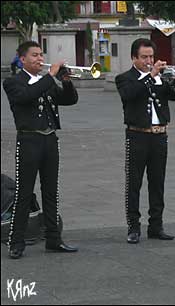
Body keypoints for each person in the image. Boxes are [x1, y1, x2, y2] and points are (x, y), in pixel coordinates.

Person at [2, 41, 79, 259]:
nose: (39, 59)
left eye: (41, 54)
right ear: (22, 59)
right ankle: (16, 242)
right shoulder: (13, 82)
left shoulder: (46, 82)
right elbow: (25, 97)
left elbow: (70, 100)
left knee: (51, 192)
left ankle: (54, 239)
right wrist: (50, 76)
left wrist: (66, 81)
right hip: (28, 141)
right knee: (24, 193)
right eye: (34, 55)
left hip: (50, 140)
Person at [115, 38, 175, 244]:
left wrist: (169, 79)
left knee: (157, 182)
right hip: (137, 135)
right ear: (134, 57)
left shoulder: (160, 77)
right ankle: (134, 227)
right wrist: (150, 76)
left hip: (160, 135)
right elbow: (129, 95)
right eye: (144, 57)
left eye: (151, 56)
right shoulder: (125, 78)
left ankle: (156, 225)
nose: (149, 60)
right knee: (134, 183)